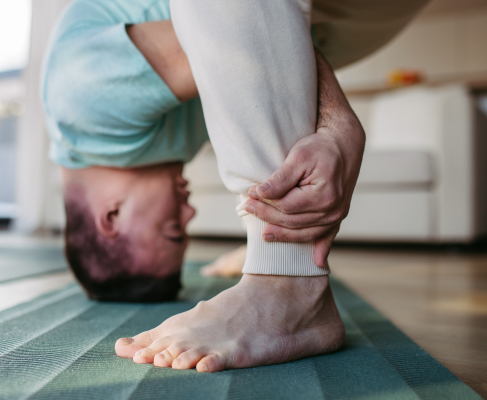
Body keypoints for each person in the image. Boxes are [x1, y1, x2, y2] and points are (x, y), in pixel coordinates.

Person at [42, 0, 428, 372]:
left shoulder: (79, 102)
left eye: (173, 227)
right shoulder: (146, 143)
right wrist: (257, 242)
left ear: (111, 217)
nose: (189, 212)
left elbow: (229, 35)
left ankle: (285, 281)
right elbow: (261, 42)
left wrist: (337, 121)